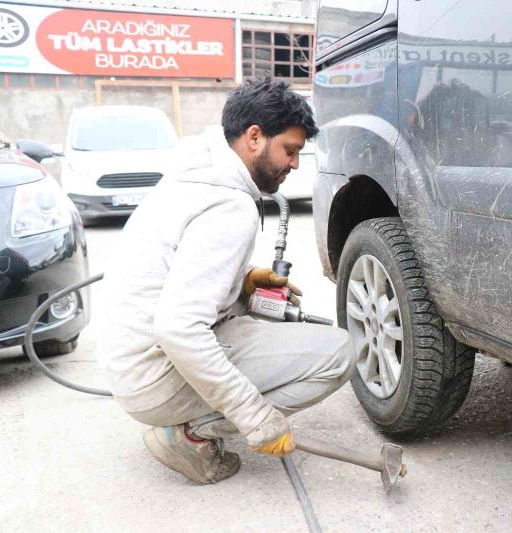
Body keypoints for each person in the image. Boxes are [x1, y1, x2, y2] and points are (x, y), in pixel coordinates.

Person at [98, 78, 355, 484]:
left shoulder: (196, 172)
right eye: (289, 150)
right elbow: (178, 328)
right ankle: (189, 434)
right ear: (255, 137)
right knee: (340, 352)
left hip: (130, 365)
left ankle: (190, 419)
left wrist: (243, 278)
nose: (295, 165)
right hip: (153, 375)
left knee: (269, 327)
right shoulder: (231, 207)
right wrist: (255, 418)